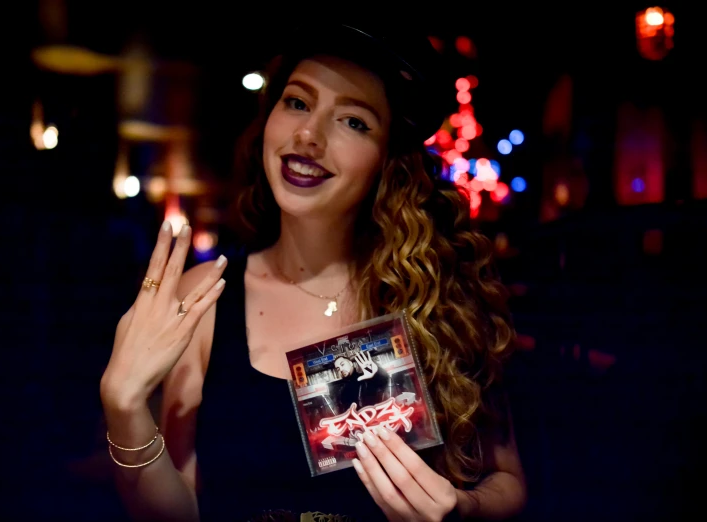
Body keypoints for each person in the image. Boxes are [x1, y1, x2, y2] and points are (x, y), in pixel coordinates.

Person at [100, 21, 527, 522]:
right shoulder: (205, 298)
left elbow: (510, 481)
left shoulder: (437, 294)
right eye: (298, 103)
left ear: (387, 160)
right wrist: (124, 408)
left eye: (353, 121)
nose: (308, 134)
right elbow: (182, 509)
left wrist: (463, 508)